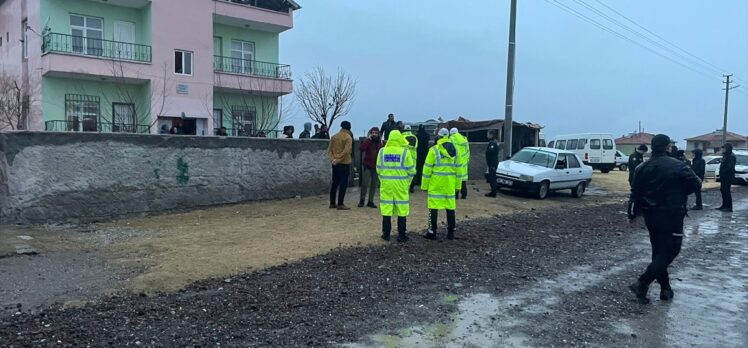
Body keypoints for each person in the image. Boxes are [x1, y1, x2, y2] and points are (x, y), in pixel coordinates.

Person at [627, 134, 701, 304]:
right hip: (672, 214)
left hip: (651, 215)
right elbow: (696, 183)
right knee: (670, 251)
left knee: (659, 251)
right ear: (668, 147)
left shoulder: (642, 167)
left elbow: (635, 193)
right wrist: (680, 192)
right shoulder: (678, 165)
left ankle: (665, 288)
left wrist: (631, 213)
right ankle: (642, 282)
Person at [377, 130, 416, 242]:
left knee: (386, 208)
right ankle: (402, 234)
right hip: (401, 184)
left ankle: (386, 234)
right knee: (402, 209)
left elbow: (378, 169)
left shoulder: (382, 151)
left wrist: (384, 180)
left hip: (386, 184)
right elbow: (411, 171)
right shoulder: (405, 152)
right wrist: (406, 183)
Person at [422, 128, 461, 240]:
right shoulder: (455, 150)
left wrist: (424, 186)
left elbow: (427, 170)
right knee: (450, 208)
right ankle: (451, 232)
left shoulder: (434, 150)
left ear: (438, 137)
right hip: (450, 184)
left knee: (433, 208)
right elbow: (459, 171)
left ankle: (432, 231)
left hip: (436, 184)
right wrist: (458, 186)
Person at [328, 121, 353, 210]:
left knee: (334, 183)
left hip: (334, 163)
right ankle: (340, 203)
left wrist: (333, 159)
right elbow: (347, 151)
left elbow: (329, 150)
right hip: (344, 163)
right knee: (343, 184)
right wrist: (339, 159)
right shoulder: (348, 137)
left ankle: (332, 202)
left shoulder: (334, 136)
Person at [359, 127, 383, 208]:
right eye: (373, 133)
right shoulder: (368, 141)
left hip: (377, 166)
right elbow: (362, 148)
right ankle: (362, 200)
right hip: (368, 165)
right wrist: (368, 140)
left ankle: (370, 201)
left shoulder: (381, 142)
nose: (374, 134)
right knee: (365, 184)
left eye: (376, 133)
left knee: (374, 184)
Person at [449, 128, 470, 199]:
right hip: (464, 162)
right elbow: (468, 151)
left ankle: (456, 195)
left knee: (456, 179)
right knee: (463, 180)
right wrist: (467, 159)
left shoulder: (451, 138)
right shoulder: (464, 139)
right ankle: (464, 195)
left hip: (456, 162)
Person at [717, 143, 736, 212]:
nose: (722, 150)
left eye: (724, 148)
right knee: (723, 190)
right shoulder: (725, 155)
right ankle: (724, 205)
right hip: (723, 176)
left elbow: (729, 167)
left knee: (726, 191)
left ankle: (729, 207)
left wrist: (723, 171)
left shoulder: (731, 156)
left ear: (727, 148)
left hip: (728, 176)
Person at [401, 125, 419, 193]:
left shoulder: (401, 137)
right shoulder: (415, 137)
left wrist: (405, 145)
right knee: (412, 172)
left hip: (404, 157)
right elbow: (415, 146)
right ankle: (412, 188)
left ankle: (404, 187)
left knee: (404, 172)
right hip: (413, 158)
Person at [485, 130, 500, 197]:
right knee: (491, 177)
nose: (487, 136)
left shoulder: (493, 143)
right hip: (492, 163)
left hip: (492, 163)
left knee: (492, 178)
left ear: (491, 135)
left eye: (488, 134)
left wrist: (492, 164)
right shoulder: (493, 142)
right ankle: (493, 191)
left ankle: (493, 193)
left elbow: (492, 152)